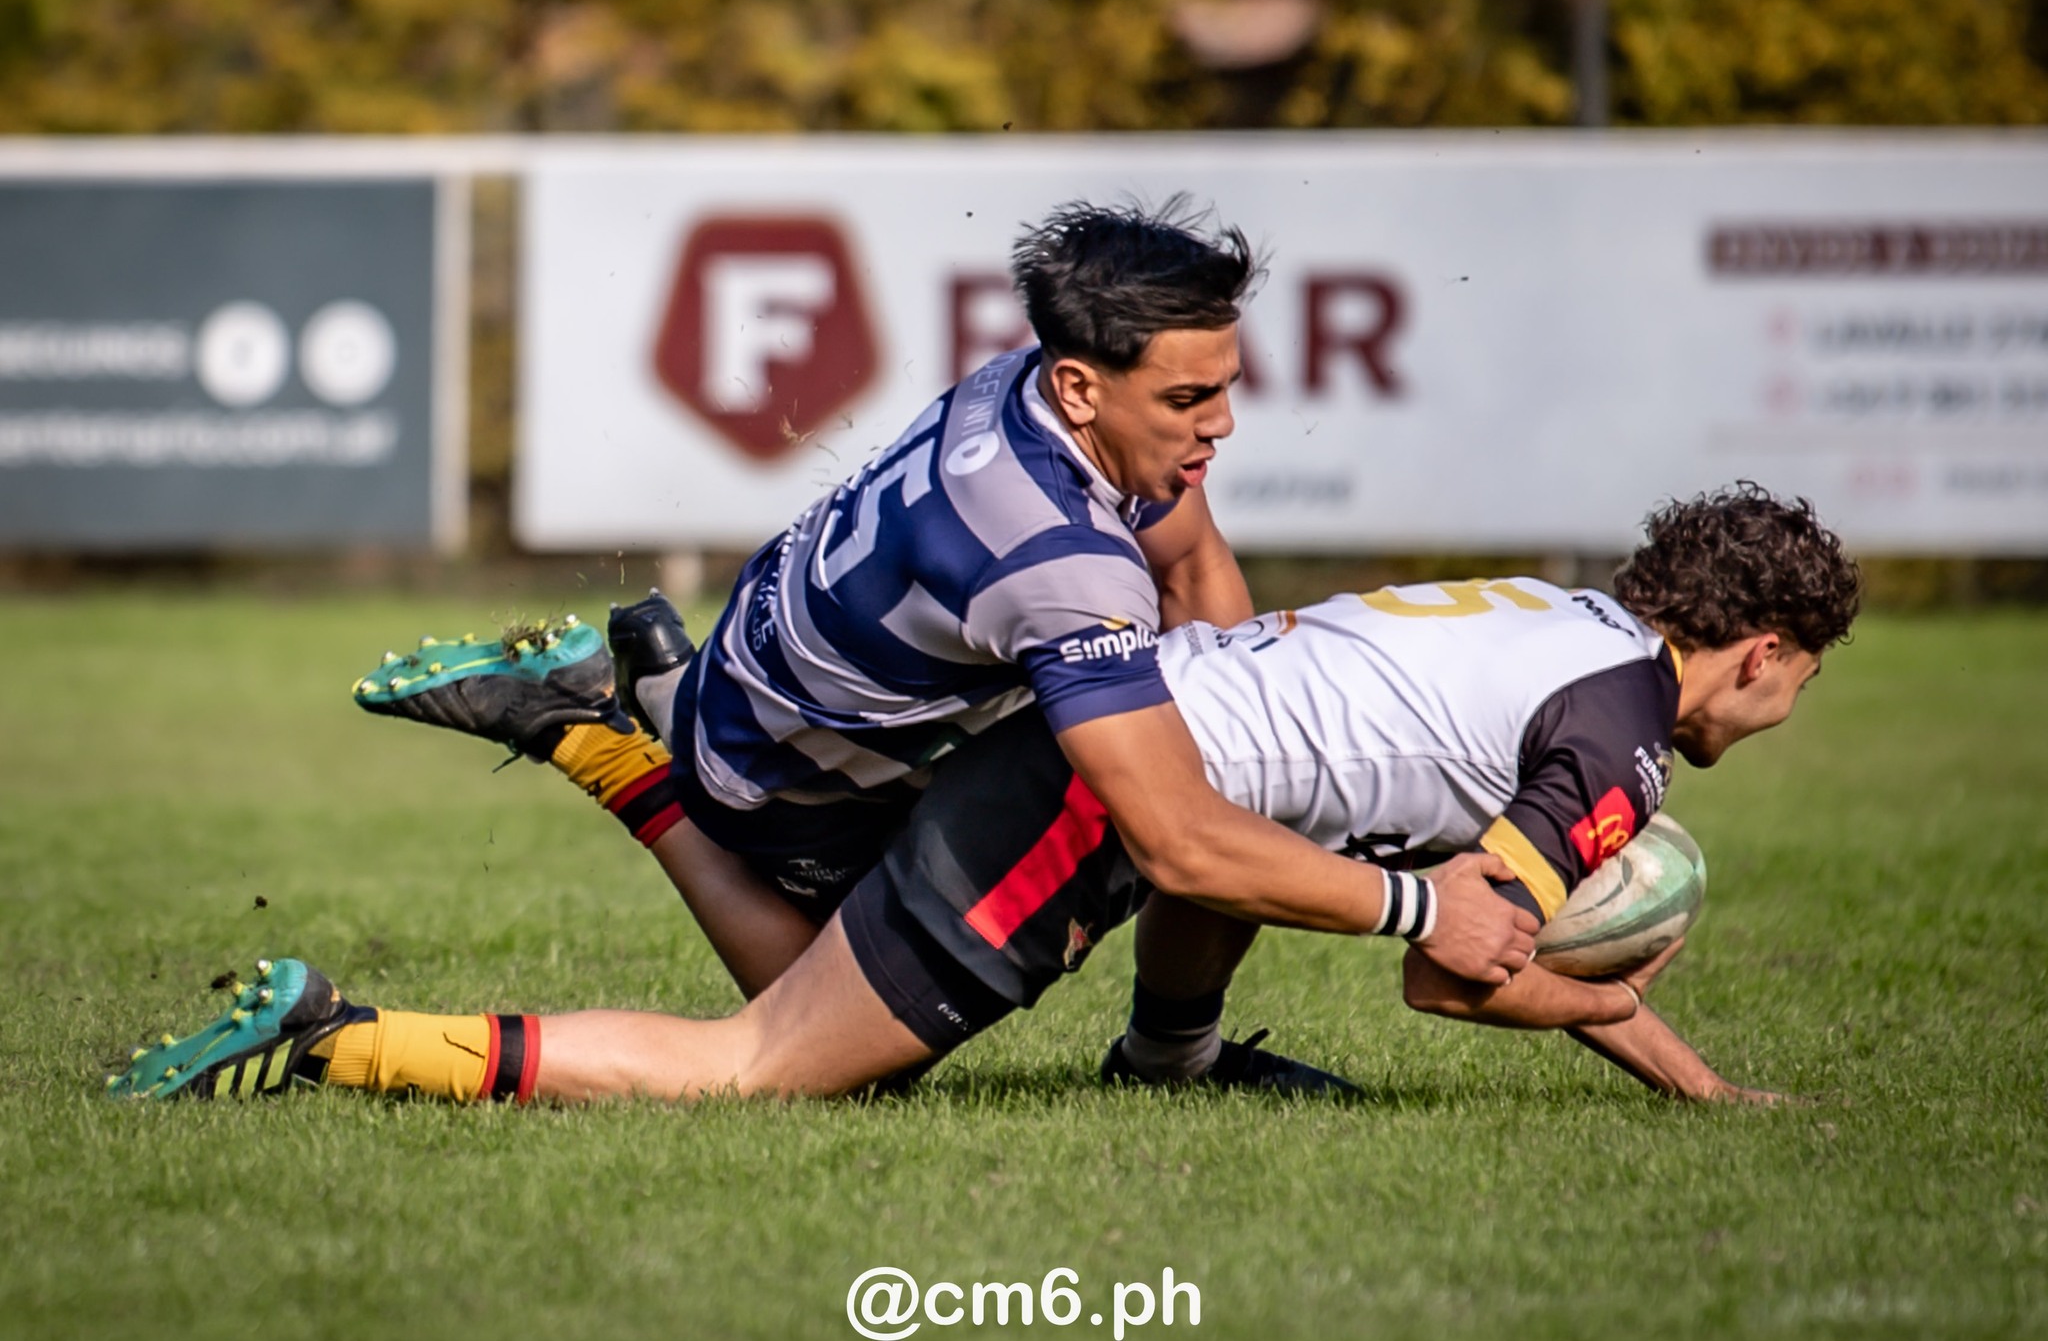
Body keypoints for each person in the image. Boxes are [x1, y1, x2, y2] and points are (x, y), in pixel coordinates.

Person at [110, 486, 1857, 1107]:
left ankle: (615, 741)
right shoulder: (1616, 742)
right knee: (765, 1064)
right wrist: (1602, 989)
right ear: (1761, 650)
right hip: (1100, 794)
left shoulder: (1559, 615)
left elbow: (1266, 848)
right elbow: (1451, 958)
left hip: (1108, 730)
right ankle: (337, 1038)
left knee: (807, 990)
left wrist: (1691, 1081)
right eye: (1804, 683)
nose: (1789, 714)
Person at [345, 199, 1535, 1094]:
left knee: (1207, 751)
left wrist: (1245, 703)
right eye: (1186, 402)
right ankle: (583, 775)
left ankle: (639, 700)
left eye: (1226, 388)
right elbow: (1177, 839)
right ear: (1082, 387)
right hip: (786, 789)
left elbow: (1190, 569)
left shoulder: (1029, 392)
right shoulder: (1057, 563)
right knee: (821, 1060)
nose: (1218, 423)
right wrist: (1418, 910)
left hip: (764, 690)